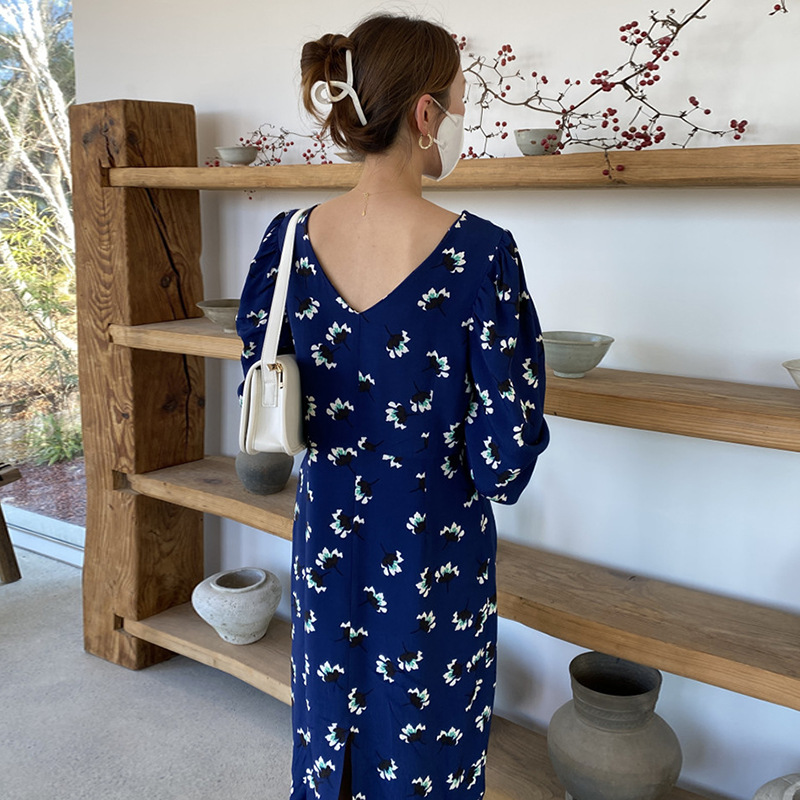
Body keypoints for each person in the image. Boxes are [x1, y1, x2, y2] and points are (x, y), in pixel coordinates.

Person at [237, 13, 549, 800]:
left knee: (329, 740)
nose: (463, 121)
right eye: (461, 104)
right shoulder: (482, 255)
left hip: (326, 536)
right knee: (427, 750)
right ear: (424, 112)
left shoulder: (285, 242)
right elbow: (505, 462)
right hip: (432, 554)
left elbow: (266, 386)